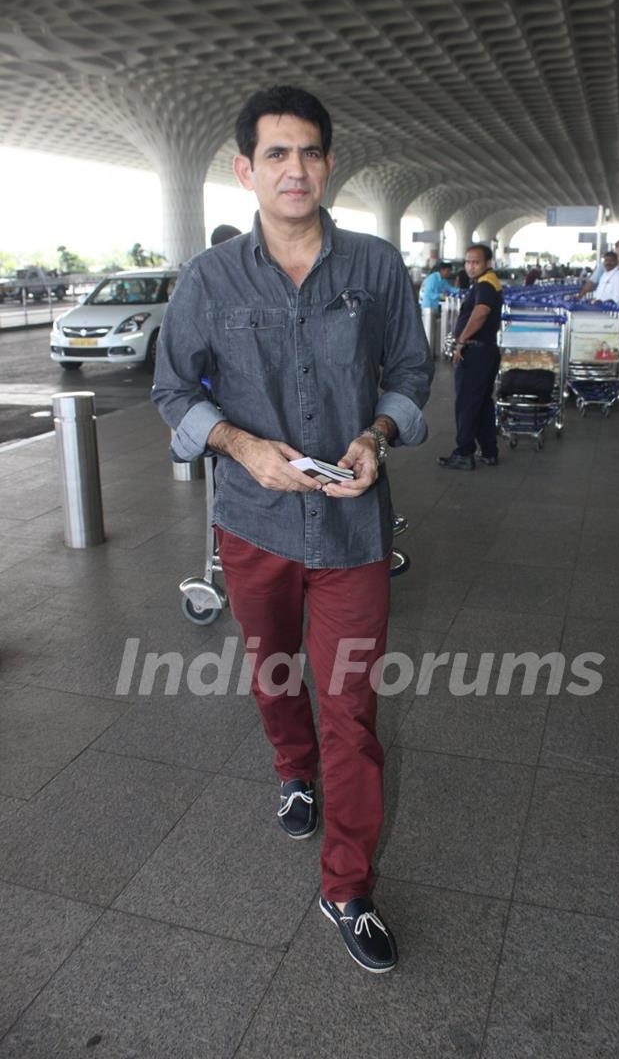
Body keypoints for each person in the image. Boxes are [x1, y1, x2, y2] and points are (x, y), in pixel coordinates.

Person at [152, 85, 433, 974]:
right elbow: (171, 392)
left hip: (353, 533)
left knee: (351, 709)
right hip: (255, 523)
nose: (295, 169)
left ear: (330, 163)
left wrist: (377, 435)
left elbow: (413, 369)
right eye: (276, 154)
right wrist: (236, 445)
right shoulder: (210, 279)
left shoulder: (377, 268)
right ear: (246, 169)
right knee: (274, 671)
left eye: (309, 151)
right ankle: (291, 771)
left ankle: (345, 886)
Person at [437, 243, 502, 470]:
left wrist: (461, 341)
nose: (470, 266)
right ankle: (488, 450)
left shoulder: (485, 285)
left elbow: (481, 312)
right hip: (485, 351)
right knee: (482, 402)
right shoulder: (487, 283)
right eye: (467, 262)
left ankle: (464, 452)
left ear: (487, 263)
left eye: (476, 262)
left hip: (476, 352)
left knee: (467, 403)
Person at [577, 239, 619, 323]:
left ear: (614, 262)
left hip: (617, 311)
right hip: (601, 310)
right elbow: (592, 283)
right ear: (616, 249)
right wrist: (580, 296)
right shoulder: (604, 270)